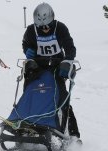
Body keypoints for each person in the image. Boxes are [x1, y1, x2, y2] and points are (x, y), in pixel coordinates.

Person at [22, 2, 82, 143]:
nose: (44, 29)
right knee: (30, 93)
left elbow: (70, 48)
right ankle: (28, 126)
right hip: (38, 66)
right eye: (40, 26)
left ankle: (73, 134)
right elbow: (26, 43)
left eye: (46, 25)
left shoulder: (60, 28)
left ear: (52, 19)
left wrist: (67, 62)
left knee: (62, 97)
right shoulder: (31, 30)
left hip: (57, 66)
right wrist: (27, 51)